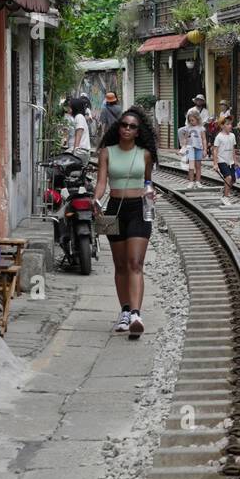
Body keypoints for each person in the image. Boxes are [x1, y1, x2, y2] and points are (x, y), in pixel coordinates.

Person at [92, 107, 158, 338]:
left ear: (139, 132)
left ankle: (136, 315)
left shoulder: (145, 154)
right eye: (124, 125)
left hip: (140, 209)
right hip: (114, 209)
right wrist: (96, 200)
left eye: (132, 127)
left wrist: (150, 191)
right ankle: (125, 311)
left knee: (135, 263)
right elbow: (102, 182)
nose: (127, 129)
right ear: (118, 127)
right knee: (120, 265)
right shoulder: (106, 152)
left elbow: (148, 180)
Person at [212, 116, 239, 206]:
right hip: (221, 160)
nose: (230, 126)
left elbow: (233, 149)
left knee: (233, 180)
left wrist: (235, 161)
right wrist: (215, 163)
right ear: (222, 126)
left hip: (230, 161)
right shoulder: (219, 137)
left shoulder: (232, 136)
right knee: (228, 178)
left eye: (230, 124)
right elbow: (215, 150)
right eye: (227, 124)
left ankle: (225, 190)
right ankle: (225, 197)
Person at [179, 109, 205, 188]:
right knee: (191, 166)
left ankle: (198, 181)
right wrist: (184, 147)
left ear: (197, 119)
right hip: (190, 149)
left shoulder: (201, 128)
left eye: (192, 120)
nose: (191, 122)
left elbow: (204, 139)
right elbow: (186, 138)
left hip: (199, 149)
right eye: (189, 120)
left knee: (198, 166)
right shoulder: (188, 128)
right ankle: (191, 182)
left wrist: (205, 149)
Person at [70, 96, 92, 167]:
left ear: (74, 107)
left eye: (70, 107)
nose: (68, 108)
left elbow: (79, 133)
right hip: (80, 151)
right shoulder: (78, 117)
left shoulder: (79, 117)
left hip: (80, 151)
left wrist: (75, 150)